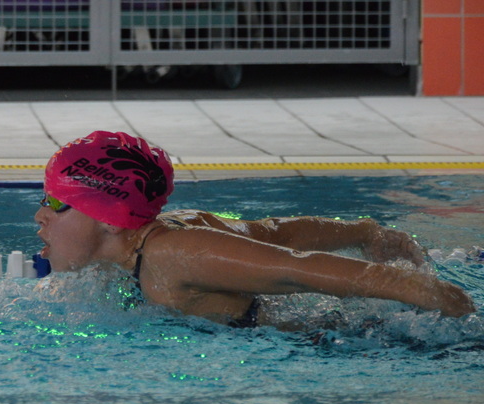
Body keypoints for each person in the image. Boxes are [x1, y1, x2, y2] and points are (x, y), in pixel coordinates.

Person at [35, 130, 476, 327]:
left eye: (55, 202)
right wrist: (364, 233)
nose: (40, 216)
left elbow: (300, 269)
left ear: (110, 218)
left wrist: (431, 293)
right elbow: (272, 233)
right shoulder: (167, 232)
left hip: (343, 344)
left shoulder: (175, 254)